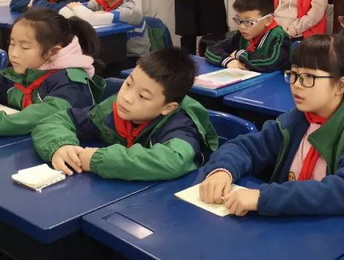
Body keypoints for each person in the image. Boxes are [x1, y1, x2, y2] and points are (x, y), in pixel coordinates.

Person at [198, 34, 344, 226]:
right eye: (294, 74)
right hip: (293, 227)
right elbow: (245, 147)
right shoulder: (295, 121)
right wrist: (222, 170)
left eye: (309, 77)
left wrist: (265, 197)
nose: (296, 85)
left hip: (341, 233)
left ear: (340, 85)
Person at [32, 48, 219, 181]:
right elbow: (56, 120)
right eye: (128, 84)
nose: (126, 98)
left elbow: (174, 160)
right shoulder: (111, 110)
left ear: (168, 108)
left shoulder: (181, 125)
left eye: (143, 96)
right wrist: (60, 146)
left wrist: (96, 160)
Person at [0, 9, 104, 135]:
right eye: (12, 43)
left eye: (25, 47)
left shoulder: (71, 83)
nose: (14, 54)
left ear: (53, 52)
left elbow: (44, 115)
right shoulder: (23, 71)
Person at [58, 0, 150, 73]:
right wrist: (88, 13)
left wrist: (81, 10)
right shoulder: (100, 2)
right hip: (111, 52)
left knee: (95, 69)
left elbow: (91, 19)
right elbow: (63, 12)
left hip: (133, 58)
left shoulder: (130, 11)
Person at [205, 0, 290, 73]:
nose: (242, 26)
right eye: (238, 20)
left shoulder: (279, 37)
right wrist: (228, 61)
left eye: (248, 22)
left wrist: (240, 54)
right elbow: (211, 50)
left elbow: (271, 62)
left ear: (268, 20)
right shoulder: (242, 35)